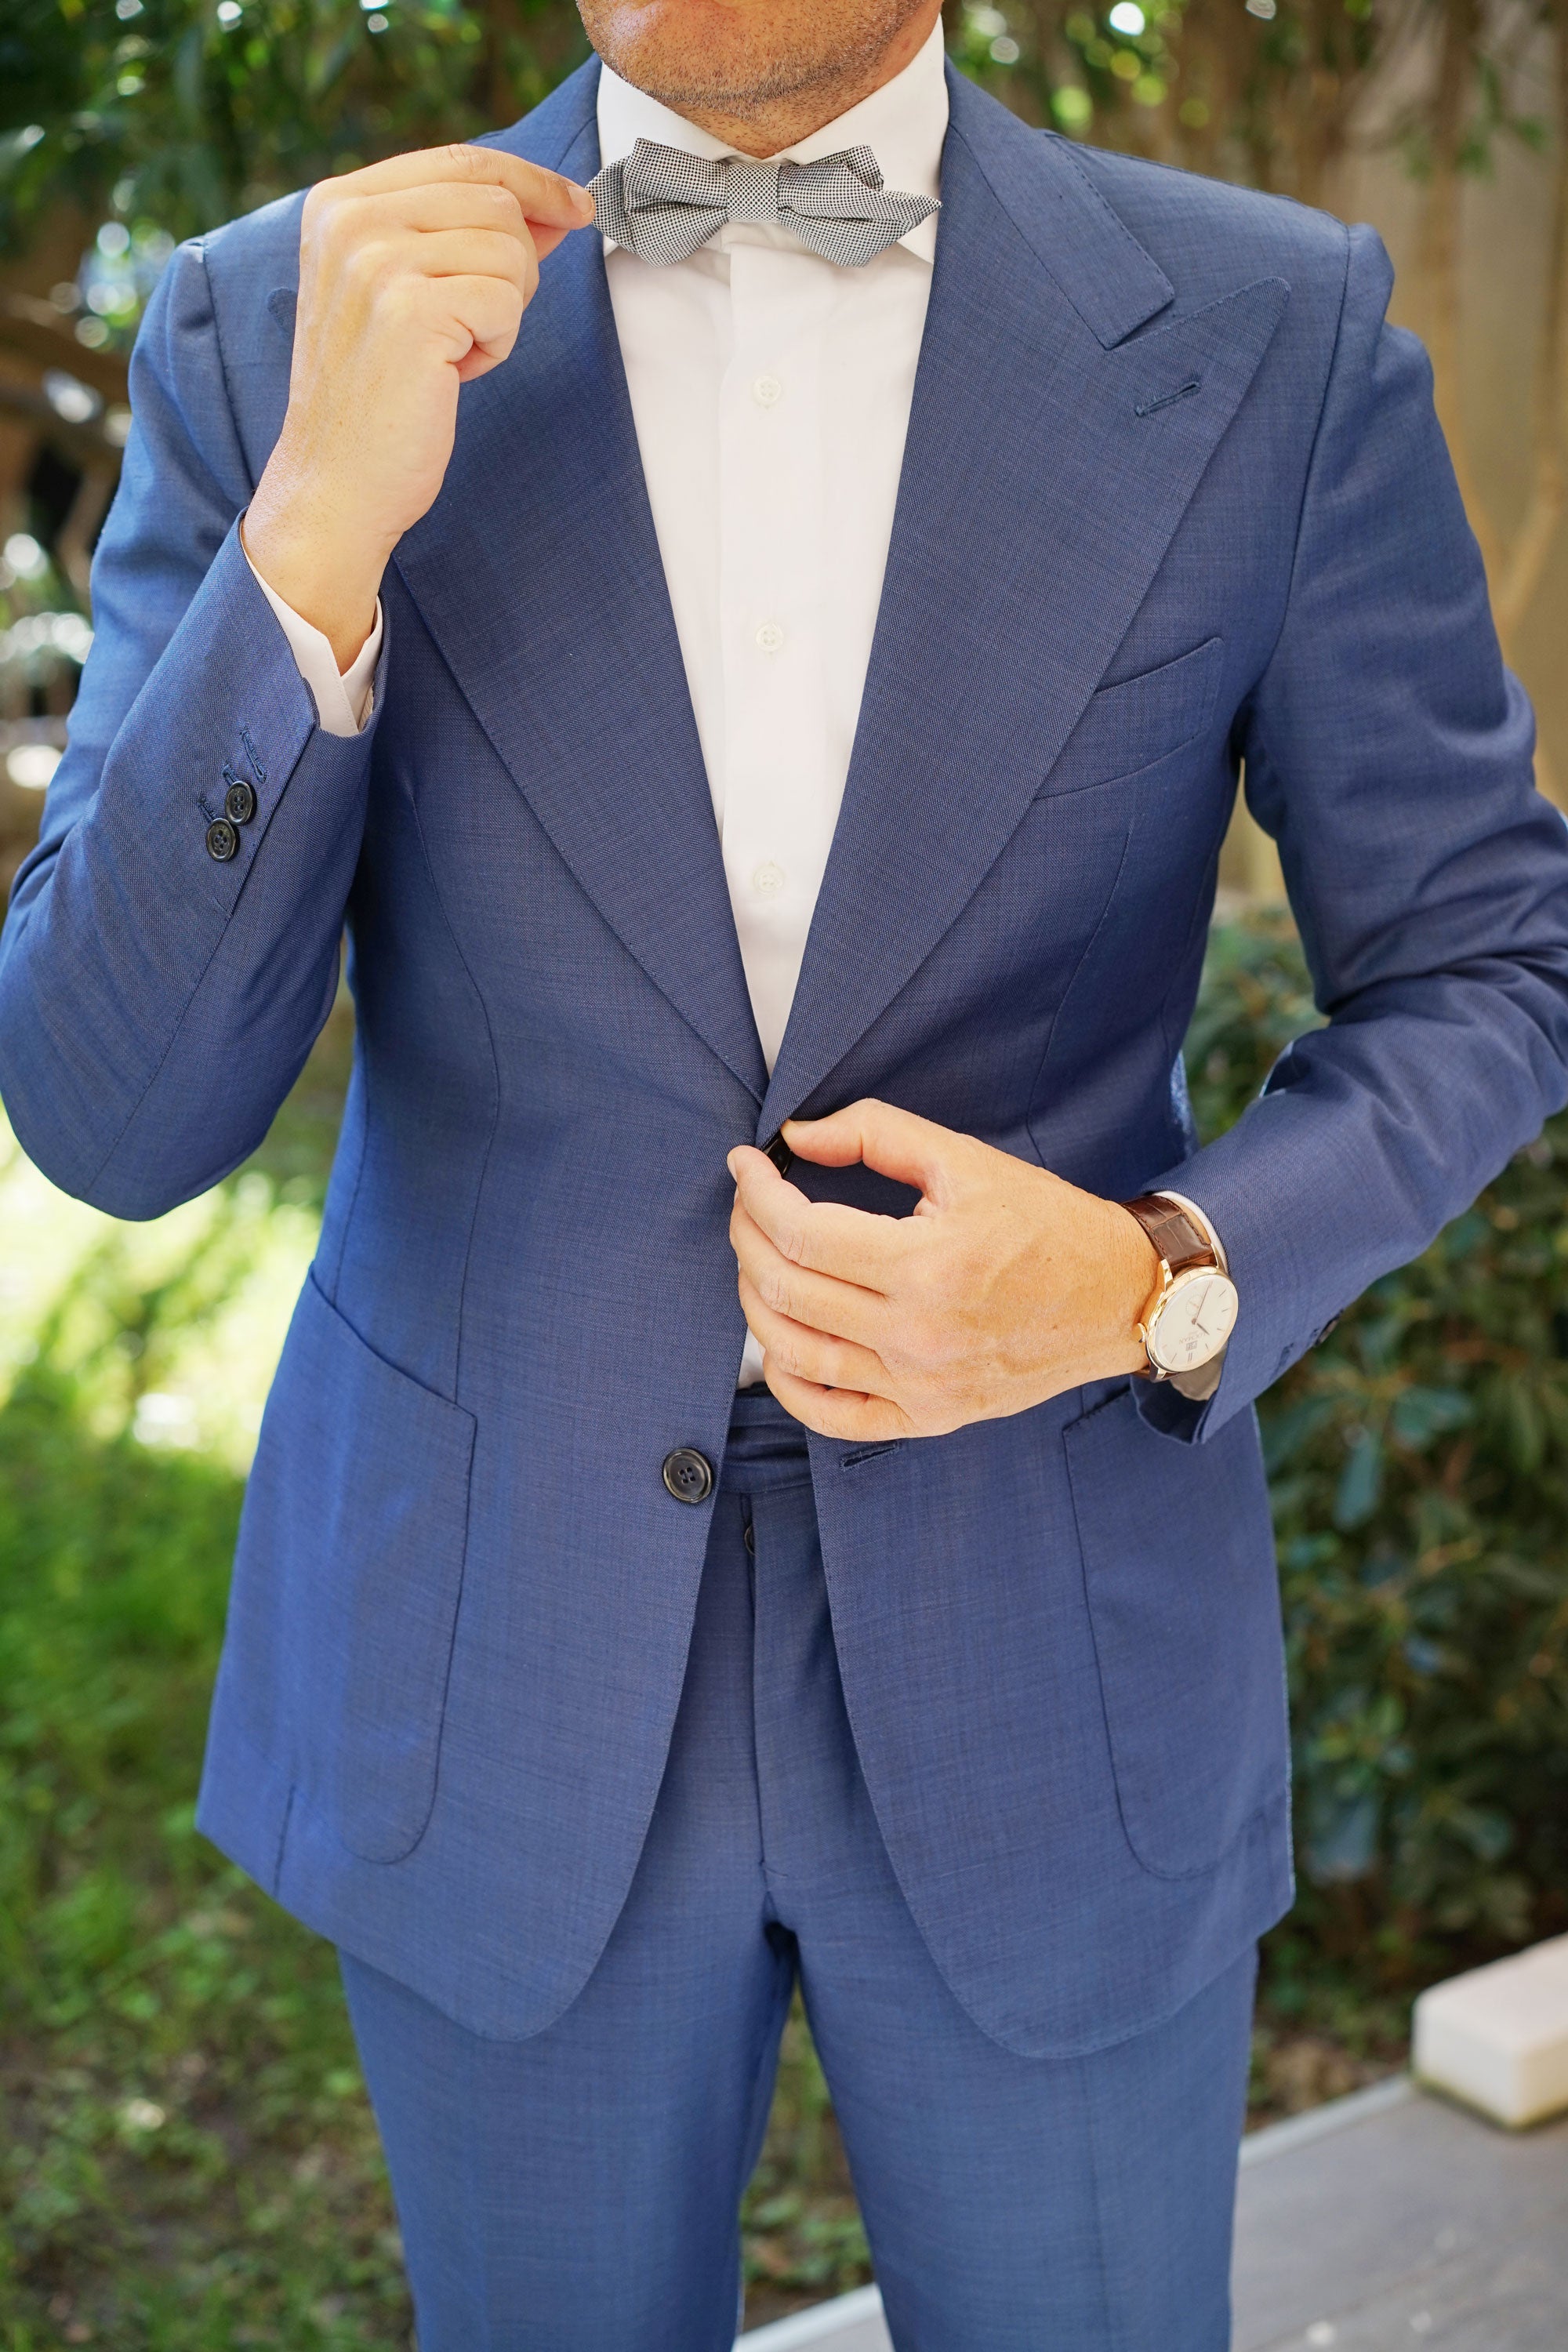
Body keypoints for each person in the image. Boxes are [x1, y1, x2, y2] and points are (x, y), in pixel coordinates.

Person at [4, 0, 1568, 2341]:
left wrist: (1158, 1273)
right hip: (488, 1652)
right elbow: (109, 1119)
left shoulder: (1270, 329)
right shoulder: (268, 328)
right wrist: (313, 539)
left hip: (1057, 1646)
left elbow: (1489, 964)